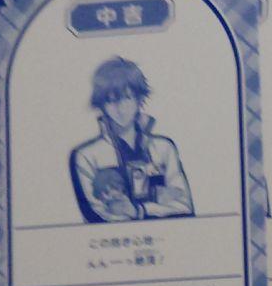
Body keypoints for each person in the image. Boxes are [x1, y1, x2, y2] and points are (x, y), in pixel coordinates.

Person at [69, 57, 193, 223]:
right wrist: (161, 201)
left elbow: (184, 205)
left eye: (127, 97)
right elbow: (95, 213)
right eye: (111, 100)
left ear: (139, 99)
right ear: (102, 105)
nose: (120, 107)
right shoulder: (87, 155)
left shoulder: (164, 148)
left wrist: (139, 211)